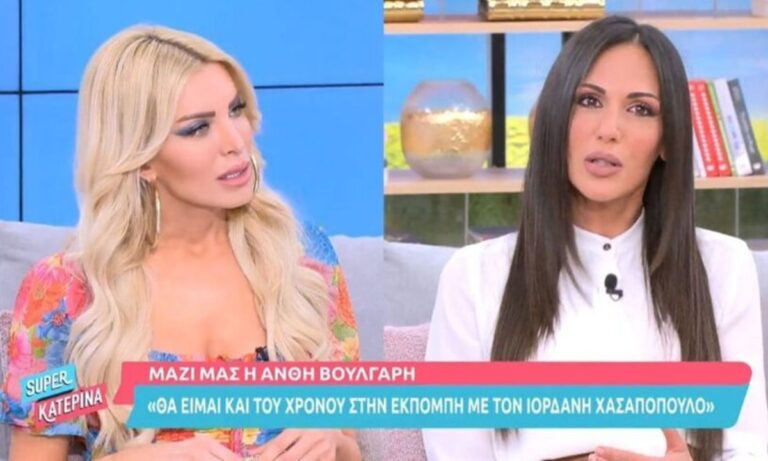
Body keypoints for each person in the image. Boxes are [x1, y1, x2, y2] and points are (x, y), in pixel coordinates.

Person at [1, 25, 361, 461]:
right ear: (143, 160)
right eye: (197, 128)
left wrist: (332, 441)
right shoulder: (62, 292)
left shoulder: (303, 256)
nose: (236, 142)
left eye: (236, 110)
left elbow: (350, 445)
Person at [423, 15, 768, 461]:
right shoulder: (473, 276)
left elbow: (750, 446)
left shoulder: (724, 266)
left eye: (640, 109)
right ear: (555, 118)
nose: (609, 129)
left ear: (667, 139)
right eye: (589, 100)